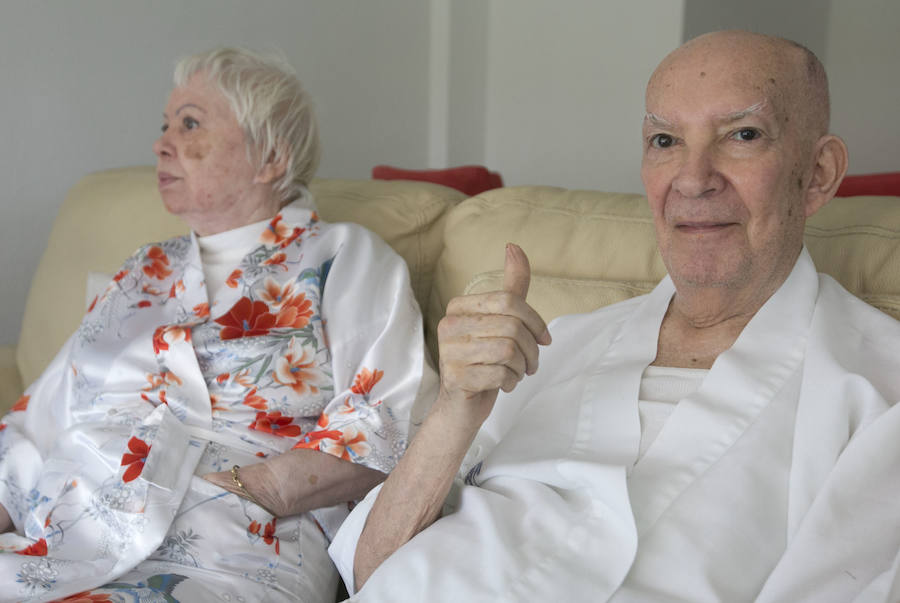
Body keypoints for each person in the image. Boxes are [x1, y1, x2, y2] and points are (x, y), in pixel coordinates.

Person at [327, 30, 900, 602]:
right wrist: (456, 409)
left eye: (742, 135)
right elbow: (369, 572)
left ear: (819, 173)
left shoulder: (878, 390)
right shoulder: (552, 345)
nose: (694, 178)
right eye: (666, 140)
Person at [0, 48, 435, 602]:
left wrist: (258, 490)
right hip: (60, 536)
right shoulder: (143, 270)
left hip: (225, 544)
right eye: (165, 126)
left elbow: (389, 416)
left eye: (190, 123)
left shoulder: (342, 257)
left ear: (270, 157)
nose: (161, 143)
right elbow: (38, 421)